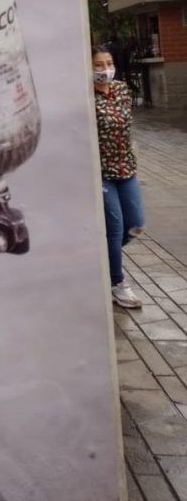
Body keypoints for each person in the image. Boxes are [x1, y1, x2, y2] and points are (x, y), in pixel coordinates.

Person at [92, 45, 145, 309]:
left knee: (134, 224)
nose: (105, 70)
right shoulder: (86, 97)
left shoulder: (122, 90)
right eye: (98, 65)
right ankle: (116, 283)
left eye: (108, 63)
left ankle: (102, 259)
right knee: (114, 228)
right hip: (102, 173)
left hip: (127, 169)